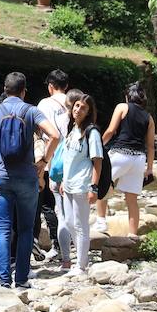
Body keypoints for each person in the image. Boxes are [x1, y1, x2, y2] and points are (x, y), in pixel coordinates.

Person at [0, 72, 60, 289]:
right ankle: (22, 279)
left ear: (4, 90)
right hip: (27, 177)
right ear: (24, 91)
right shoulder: (32, 111)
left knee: (3, 229)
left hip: (1, 177)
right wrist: (43, 160)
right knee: (25, 229)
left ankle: (4, 280)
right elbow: (55, 135)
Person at [56, 91, 105, 274]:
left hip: (83, 184)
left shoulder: (91, 132)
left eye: (83, 108)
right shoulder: (72, 129)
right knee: (69, 222)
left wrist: (93, 186)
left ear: (89, 112)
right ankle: (80, 258)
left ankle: (81, 265)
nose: (78, 110)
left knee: (81, 224)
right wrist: (62, 180)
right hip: (68, 184)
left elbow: (97, 161)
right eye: (77, 106)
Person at [101, 82, 157, 237]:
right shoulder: (149, 117)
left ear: (127, 96)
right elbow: (151, 146)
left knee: (101, 184)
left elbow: (111, 131)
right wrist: (150, 168)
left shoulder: (122, 107)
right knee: (132, 200)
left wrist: (98, 145)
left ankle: (100, 222)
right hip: (139, 159)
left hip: (120, 154)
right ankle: (132, 236)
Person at [34, 69, 70, 256]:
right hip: (71, 159)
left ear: (50, 86)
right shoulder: (75, 100)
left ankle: (53, 243)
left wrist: (41, 160)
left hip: (51, 159)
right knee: (66, 204)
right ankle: (66, 243)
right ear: (66, 86)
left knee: (45, 203)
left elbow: (42, 133)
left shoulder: (44, 104)